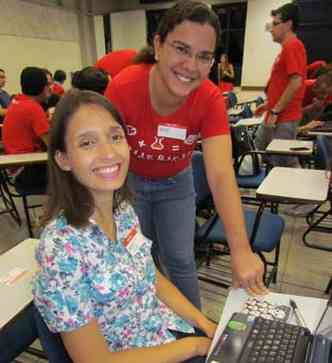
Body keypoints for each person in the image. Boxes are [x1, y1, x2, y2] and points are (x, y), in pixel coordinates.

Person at [33, 89, 217, 363]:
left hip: (165, 333)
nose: (109, 153)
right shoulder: (61, 248)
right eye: (87, 143)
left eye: (115, 137)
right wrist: (196, 347)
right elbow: (95, 361)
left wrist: (205, 324)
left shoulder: (124, 211)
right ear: (63, 159)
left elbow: (152, 277)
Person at [105, 0, 267, 309]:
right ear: (158, 45)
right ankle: (149, 325)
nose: (191, 66)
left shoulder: (209, 99)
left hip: (176, 183)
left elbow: (220, 174)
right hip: (130, 184)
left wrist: (241, 248)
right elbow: (104, 157)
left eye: (203, 56)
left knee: (180, 259)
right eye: (181, 49)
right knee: (140, 259)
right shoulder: (124, 87)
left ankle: (194, 331)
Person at [255, 2, 307, 167]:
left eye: (275, 24)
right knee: (261, 150)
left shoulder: (293, 46)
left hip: (284, 117)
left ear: (288, 24)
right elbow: (283, 84)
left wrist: (276, 110)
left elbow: (296, 82)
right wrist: (268, 105)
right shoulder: (287, 48)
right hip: (276, 113)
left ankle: (297, 192)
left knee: (283, 164)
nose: (271, 29)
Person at [2, 66, 51, 189]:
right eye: (49, 85)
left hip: (16, 169)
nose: (51, 89)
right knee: (75, 172)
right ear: (43, 88)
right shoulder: (33, 108)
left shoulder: (17, 102)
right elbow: (52, 144)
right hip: (26, 172)